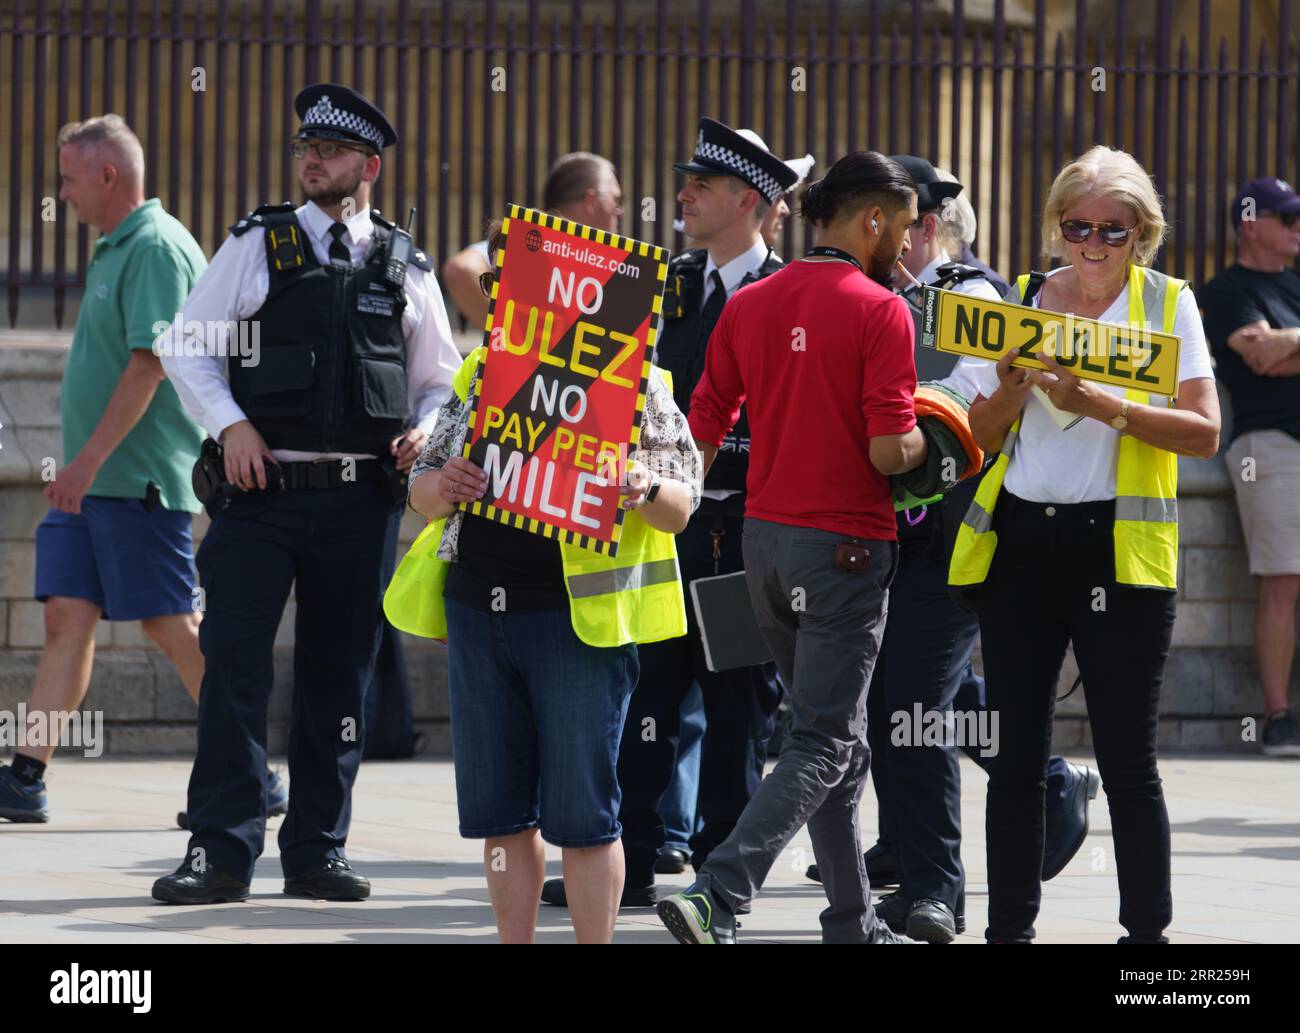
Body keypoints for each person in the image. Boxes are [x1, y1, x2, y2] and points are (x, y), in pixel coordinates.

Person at [151, 83, 461, 904]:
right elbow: (186, 346)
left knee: (338, 677)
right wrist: (231, 427)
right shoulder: (259, 243)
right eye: (303, 148)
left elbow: (442, 383)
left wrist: (426, 432)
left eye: (328, 150)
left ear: (369, 165)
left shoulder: (403, 262)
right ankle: (218, 849)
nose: (310, 159)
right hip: (260, 493)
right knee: (234, 669)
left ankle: (318, 848)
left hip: (360, 503)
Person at [808, 156, 1096, 942]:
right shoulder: (894, 301)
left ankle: (936, 884)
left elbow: (968, 412)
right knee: (898, 700)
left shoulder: (967, 297)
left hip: (956, 542)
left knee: (912, 703)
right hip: (893, 540)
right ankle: (1021, 794)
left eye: (893, 222)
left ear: (922, 227)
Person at [658, 150, 927, 944]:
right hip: (844, 548)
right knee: (824, 739)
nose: (908, 247)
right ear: (872, 220)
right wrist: (940, 438)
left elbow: (700, 425)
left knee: (832, 737)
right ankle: (719, 889)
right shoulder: (883, 311)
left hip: (762, 545)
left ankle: (853, 920)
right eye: (904, 229)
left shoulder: (752, 301)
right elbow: (888, 451)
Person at [956, 146, 1220, 943]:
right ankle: (1010, 932)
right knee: (1015, 761)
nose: (1095, 243)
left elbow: (1207, 431)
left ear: (1143, 232)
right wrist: (1007, 386)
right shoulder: (1025, 302)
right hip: (1024, 545)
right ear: (1056, 227)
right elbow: (974, 433)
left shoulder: (1170, 303)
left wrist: (1108, 405)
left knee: (1128, 759)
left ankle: (1147, 940)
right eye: (1079, 227)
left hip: (1120, 548)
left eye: (1115, 228)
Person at [539, 118, 796, 912]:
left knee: (735, 706)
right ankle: (635, 856)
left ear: (748, 200)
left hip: (742, 529)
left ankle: (721, 873)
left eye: (701, 185)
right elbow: (577, 357)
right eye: (685, 180)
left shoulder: (787, 293)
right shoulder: (658, 282)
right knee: (644, 691)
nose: (681, 194)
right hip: (655, 527)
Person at [393, 324, 702, 942]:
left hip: (576, 625)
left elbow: (682, 501)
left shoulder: (633, 375)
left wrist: (642, 485)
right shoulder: (482, 367)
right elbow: (422, 488)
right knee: (501, 817)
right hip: (480, 613)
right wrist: (444, 485)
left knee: (585, 815)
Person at [0, 116, 221, 823]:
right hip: (89, 483)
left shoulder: (155, 247)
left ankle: (245, 767)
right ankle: (25, 776)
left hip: (136, 477)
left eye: (67, 177)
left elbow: (150, 364)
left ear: (106, 176)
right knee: (67, 616)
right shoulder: (113, 247)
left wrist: (87, 463)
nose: (59, 192)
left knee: (170, 623)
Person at [1199, 177, 1300, 756]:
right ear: (1249, 223)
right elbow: (1259, 358)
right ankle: (1278, 716)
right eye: (1284, 218)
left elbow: (1276, 350)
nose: (1295, 228)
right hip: (1271, 445)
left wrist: (1287, 343)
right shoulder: (1225, 290)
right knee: (1283, 581)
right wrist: (1280, 349)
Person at [442, 152, 625, 327]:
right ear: (591, 201)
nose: (620, 211)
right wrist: (518, 335)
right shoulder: (527, 244)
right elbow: (460, 270)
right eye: (616, 200)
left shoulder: (620, 267)